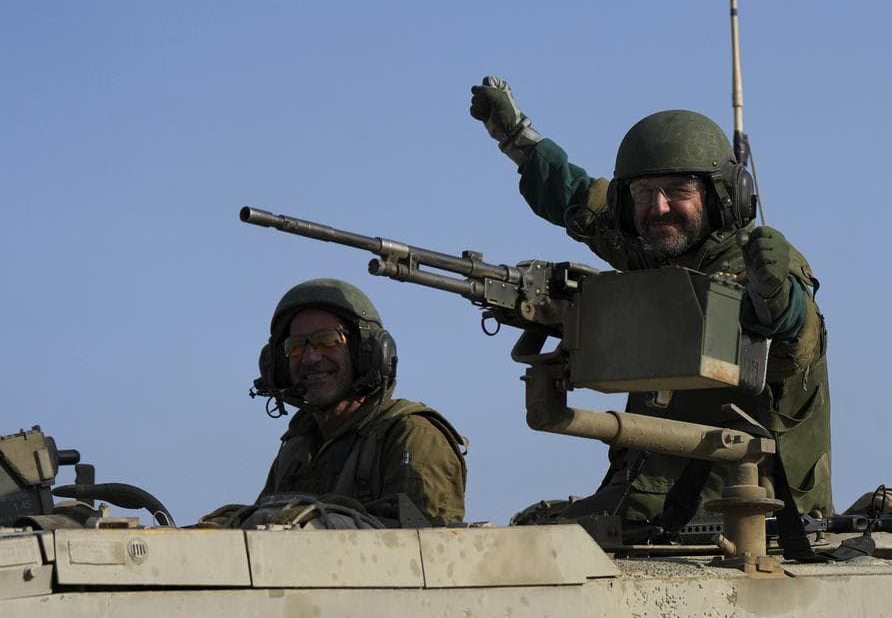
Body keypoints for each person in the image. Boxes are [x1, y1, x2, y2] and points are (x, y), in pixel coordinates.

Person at [470, 77, 833, 529]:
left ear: (722, 195)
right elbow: (580, 198)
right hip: (643, 503)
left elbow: (793, 342)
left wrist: (774, 297)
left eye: (679, 191)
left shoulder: (754, 266)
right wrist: (516, 137)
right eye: (643, 193)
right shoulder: (652, 253)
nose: (658, 208)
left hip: (743, 510)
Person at [250, 278, 467, 525]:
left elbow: (429, 551)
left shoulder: (411, 436)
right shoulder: (298, 446)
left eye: (328, 340)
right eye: (296, 347)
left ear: (366, 352)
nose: (310, 357)